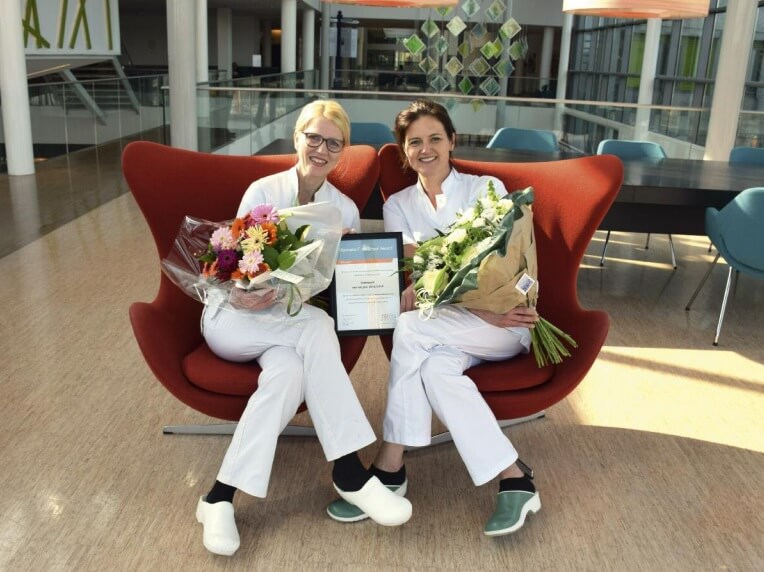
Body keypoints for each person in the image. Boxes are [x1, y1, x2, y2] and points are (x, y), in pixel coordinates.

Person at [196, 100, 412, 556]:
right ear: (298, 137)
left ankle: (218, 498)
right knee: (315, 327)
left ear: (342, 151)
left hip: (285, 326)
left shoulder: (345, 210)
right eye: (314, 137)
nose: (321, 149)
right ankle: (350, 472)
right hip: (234, 318)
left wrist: (357, 265)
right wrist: (241, 289)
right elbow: (232, 263)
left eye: (334, 143)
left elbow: (339, 287)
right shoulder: (262, 191)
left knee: (289, 374)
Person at [327, 99, 541, 536]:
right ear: (405, 152)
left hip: (506, 321)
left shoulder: (486, 189)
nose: (425, 149)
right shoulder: (398, 205)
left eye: (435, 139)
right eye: (414, 143)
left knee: (409, 326)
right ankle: (513, 477)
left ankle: (391, 465)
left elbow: (498, 261)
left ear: (452, 141)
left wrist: (483, 308)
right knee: (436, 373)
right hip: (447, 328)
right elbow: (415, 265)